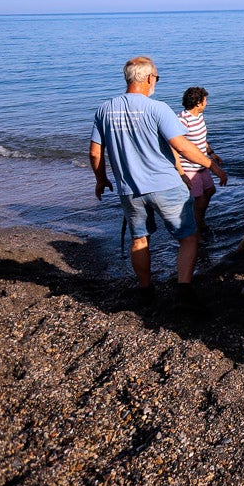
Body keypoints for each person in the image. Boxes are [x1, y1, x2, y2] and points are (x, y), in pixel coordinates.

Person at [89, 56, 228, 307]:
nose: (156, 82)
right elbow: (182, 147)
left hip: (130, 190)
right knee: (188, 237)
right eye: (157, 78)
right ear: (149, 79)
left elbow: (95, 152)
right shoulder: (158, 109)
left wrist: (101, 180)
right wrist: (213, 166)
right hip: (166, 186)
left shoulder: (104, 109)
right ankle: (184, 290)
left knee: (139, 240)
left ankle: (145, 290)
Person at [176, 87, 222, 239]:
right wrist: (180, 172)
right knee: (199, 199)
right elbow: (175, 146)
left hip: (203, 165)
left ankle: (199, 221)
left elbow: (202, 139)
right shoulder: (182, 120)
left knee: (210, 191)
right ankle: (196, 230)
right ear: (198, 103)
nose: (206, 102)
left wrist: (212, 153)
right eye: (205, 100)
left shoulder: (199, 117)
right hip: (188, 167)